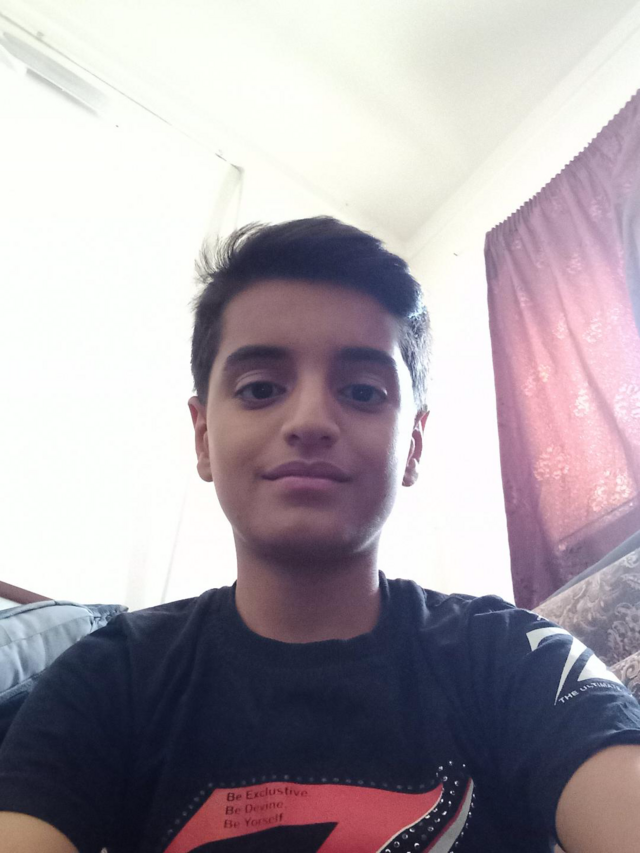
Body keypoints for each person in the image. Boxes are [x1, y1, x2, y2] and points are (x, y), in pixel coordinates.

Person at [1, 216, 640, 853]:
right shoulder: (107, 678)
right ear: (203, 436)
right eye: (260, 389)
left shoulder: (515, 659)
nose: (310, 420)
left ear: (413, 445)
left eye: (362, 391)